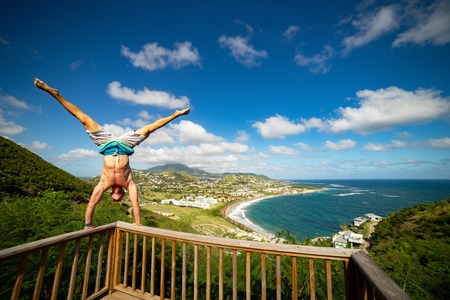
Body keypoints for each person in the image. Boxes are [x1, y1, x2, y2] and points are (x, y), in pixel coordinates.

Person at [34, 78, 190, 229]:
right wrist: (137, 224)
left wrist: (87, 225)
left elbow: (92, 203)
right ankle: (176, 114)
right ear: (122, 194)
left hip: (106, 145)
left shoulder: (103, 184)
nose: (118, 198)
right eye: (120, 198)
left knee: (84, 119)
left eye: (116, 198)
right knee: (150, 128)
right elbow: (135, 204)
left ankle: (53, 93)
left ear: (111, 194)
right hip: (124, 146)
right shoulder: (129, 184)